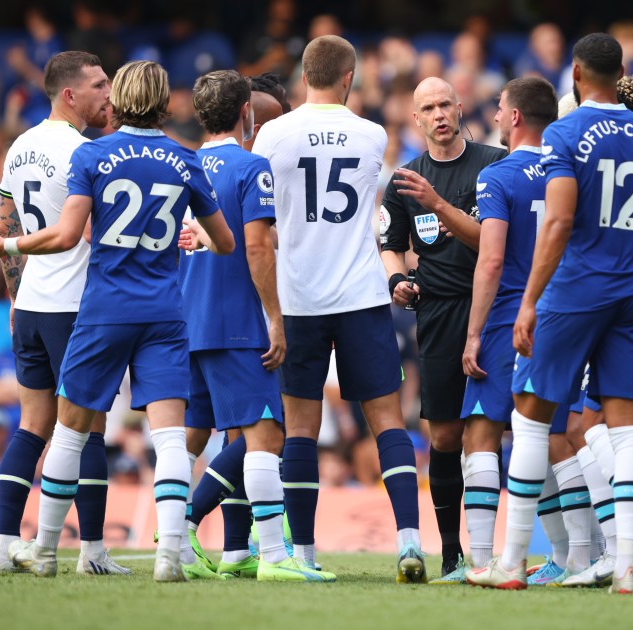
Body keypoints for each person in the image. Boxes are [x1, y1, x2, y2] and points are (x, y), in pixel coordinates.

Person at [0, 60, 235, 582]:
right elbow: (223, 242)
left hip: (100, 309)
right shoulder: (184, 159)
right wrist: (194, 236)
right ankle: (167, 557)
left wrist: (8, 246)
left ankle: (42, 552)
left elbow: (67, 235)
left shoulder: (90, 153)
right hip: (161, 313)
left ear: (123, 98)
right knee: (170, 438)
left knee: (66, 431)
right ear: (165, 102)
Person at [466, 33, 633, 594]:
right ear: (621, 71)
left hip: (577, 287)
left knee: (531, 416)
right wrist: (627, 265)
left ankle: (510, 562)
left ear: (576, 74)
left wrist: (529, 301)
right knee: (627, 426)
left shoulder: (564, 131)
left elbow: (556, 224)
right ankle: (628, 567)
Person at [251, 35, 425, 583]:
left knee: (299, 428)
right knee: (387, 421)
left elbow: (264, 222)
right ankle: (409, 545)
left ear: (305, 74)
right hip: (361, 295)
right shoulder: (372, 134)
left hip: (298, 297)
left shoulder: (272, 134)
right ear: (349, 78)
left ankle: (302, 555)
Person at [0, 50, 130, 576]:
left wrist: (13, 297)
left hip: (31, 305)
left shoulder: (20, 146)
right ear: (70, 94)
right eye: (98, 86)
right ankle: (91, 551)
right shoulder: (82, 152)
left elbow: (5, 227)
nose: (108, 95)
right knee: (87, 429)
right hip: (75, 306)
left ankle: (3, 545)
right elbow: (91, 233)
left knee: (32, 425)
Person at [177, 69, 322, 582]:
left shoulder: (183, 165)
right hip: (236, 321)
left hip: (186, 321)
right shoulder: (250, 166)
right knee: (265, 435)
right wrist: (274, 319)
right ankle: (276, 558)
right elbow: (257, 246)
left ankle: (180, 545)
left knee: (188, 438)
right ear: (247, 113)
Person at [379, 76, 505, 579]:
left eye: (445, 105)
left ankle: (495, 551)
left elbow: (491, 244)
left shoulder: (494, 166)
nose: (438, 115)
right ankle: (452, 554)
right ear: (416, 118)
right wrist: (396, 279)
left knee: (492, 434)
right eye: (427, 108)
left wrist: (437, 204)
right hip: (436, 315)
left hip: (492, 310)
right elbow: (389, 241)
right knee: (447, 436)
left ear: (460, 108)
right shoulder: (406, 179)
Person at [450, 77, 558, 583]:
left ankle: (482, 560)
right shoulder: (566, 171)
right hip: (560, 313)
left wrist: (473, 334)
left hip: (507, 316)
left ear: (514, 117)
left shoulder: (499, 174)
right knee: (550, 434)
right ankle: (573, 555)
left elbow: (490, 260)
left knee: (481, 432)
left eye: (499, 108)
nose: (494, 115)